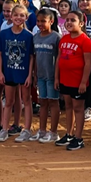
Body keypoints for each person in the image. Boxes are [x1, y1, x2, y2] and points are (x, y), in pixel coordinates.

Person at [0, 4, 35, 142]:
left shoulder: (29, 36)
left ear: (26, 17)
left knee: (26, 100)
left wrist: (30, 75)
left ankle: (27, 129)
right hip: (9, 72)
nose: (18, 18)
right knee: (9, 101)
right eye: (16, 15)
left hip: (23, 73)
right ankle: (4, 129)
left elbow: (31, 57)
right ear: (10, 17)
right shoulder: (4, 34)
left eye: (22, 15)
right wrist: (0, 72)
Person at [55, 10, 91, 151]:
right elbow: (59, 59)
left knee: (78, 108)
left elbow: (88, 63)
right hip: (65, 79)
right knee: (68, 107)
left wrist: (83, 82)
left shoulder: (85, 40)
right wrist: (56, 77)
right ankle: (69, 134)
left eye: (73, 20)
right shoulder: (64, 39)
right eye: (68, 20)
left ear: (81, 23)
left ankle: (78, 137)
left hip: (78, 81)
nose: (69, 22)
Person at [33, 9, 63, 143]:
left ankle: (54, 132)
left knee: (53, 102)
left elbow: (59, 59)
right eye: (38, 21)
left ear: (51, 21)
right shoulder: (36, 37)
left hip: (52, 76)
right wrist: (34, 74)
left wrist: (57, 77)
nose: (40, 24)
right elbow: (34, 58)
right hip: (40, 76)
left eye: (43, 21)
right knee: (43, 102)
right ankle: (42, 130)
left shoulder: (56, 37)